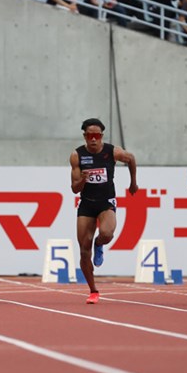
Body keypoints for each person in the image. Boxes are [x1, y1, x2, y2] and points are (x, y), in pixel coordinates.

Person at [70, 118, 137, 304]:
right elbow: (74, 188)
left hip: (106, 201)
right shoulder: (77, 156)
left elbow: (131, 158)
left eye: (97, 136)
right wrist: (83, 179)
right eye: (90, 136)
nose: (93, 139)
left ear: (101, 136)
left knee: (107, 233)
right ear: (84, 136)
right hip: (86, 203)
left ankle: (99, 244)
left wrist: (133, 182)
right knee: (84, 250)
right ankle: (93, 290)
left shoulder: (111, 151)